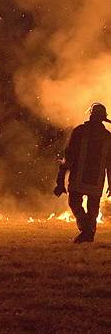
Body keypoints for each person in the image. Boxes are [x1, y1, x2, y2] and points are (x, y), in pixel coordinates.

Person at [54, 103, 111, 243]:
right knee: (93, 210)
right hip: (97, 182)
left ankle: (86, 230)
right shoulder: (108, 137)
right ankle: (89, 232)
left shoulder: (79, 131)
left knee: (74, 203)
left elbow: (68, 158)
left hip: (78, 179)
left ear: (91, 115)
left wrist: (60, 181)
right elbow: (110, 164)